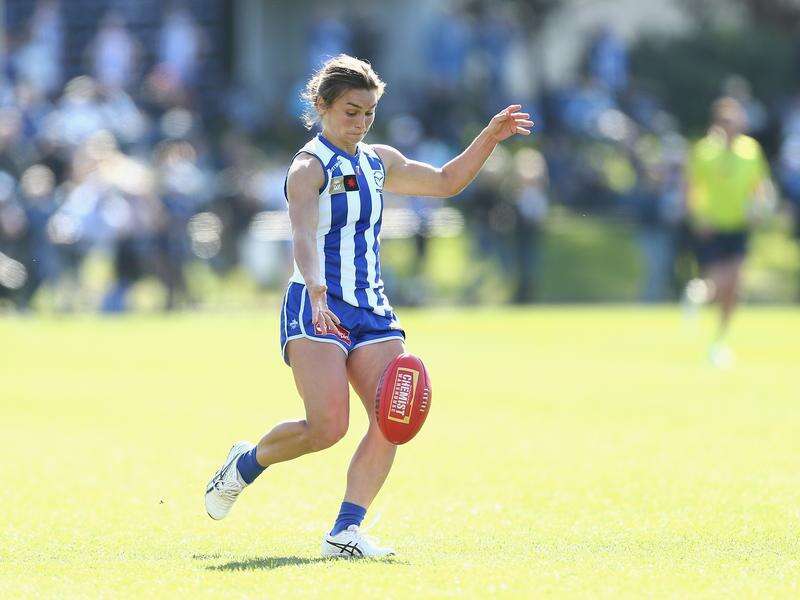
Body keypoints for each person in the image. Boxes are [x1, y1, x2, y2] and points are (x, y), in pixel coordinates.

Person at [204, 54, 532, 557]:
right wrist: (315, 290)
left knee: (392, 414)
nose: (360, 123)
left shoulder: (378, 161)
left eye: (368, 114)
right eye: (351, 112)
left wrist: (489, 136)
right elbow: (301, 235)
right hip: (316, 306)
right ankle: (246, 463)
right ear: (322, 106)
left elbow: (446, 182)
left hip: (372, 308)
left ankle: (345, 532)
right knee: (327, 427)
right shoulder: (308, 167)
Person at [684, 96, 773, 366]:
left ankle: (719, 340)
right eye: (726, 121)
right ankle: (697, 294)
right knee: (719, 282)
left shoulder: (750, 150)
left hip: (739, 226)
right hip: (713, 227)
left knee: (734, 287)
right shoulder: (704, 151)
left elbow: (760, 185)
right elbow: (692, 188)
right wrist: (699, 217)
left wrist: (760, 208)